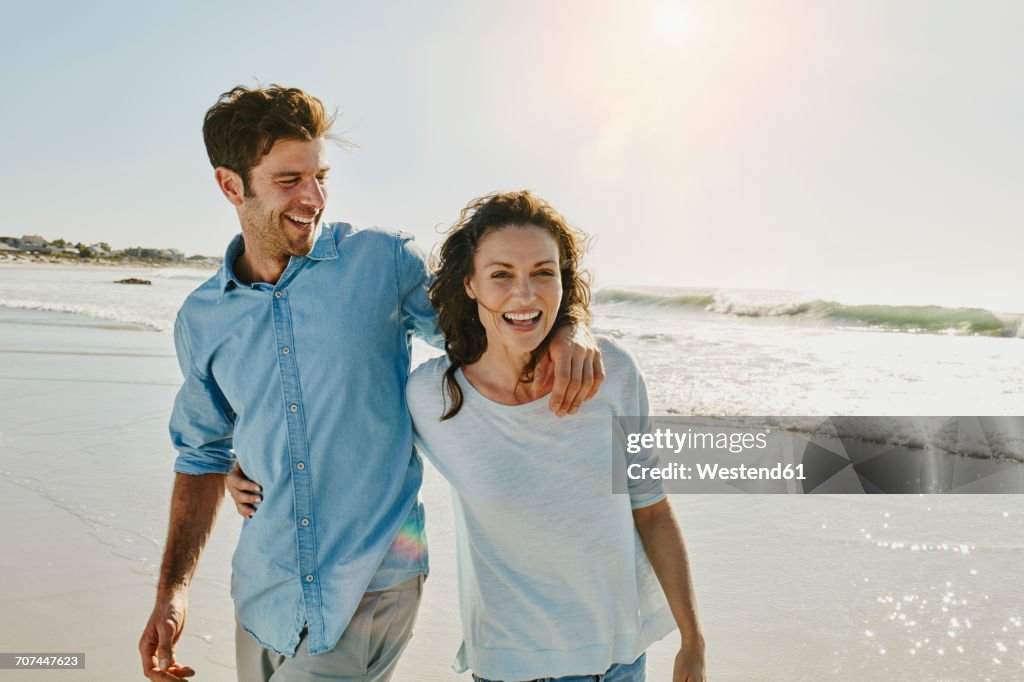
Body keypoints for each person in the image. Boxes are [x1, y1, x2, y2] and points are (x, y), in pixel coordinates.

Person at [138, 86, 602, 682]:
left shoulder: (382, 261)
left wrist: (568, 326)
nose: (314, 198)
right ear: (232, 186)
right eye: (288, 180)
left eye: (320, 175)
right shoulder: (203, 319)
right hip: (263, 591)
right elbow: (201, 453)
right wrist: (172, 594)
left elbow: (491, 319)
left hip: (371, 582)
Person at [231, 191, 707, 681]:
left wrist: (693, 641)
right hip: (512, 667)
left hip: (622, 661)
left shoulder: (611, 373)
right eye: (501, 274)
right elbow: (346, 437)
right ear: (471, 285)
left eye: (544, 272)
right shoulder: (432, 397)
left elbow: (650, 508)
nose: (524, 294)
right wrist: (247, 460)